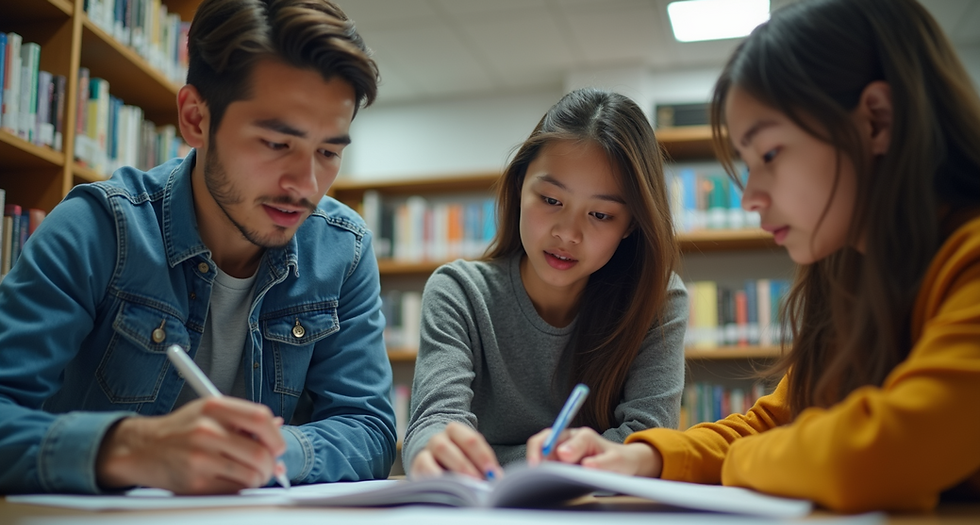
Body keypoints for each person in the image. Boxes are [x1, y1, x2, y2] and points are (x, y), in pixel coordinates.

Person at [526, 0, 980, 514]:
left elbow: (879, 452)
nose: (749, 197)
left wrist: (741, 462)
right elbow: (775, 423)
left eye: (768, 155)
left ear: (876, 121)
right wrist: (642, 457)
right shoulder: (855, 280)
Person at [0, 0, 396, 495]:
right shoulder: (98, 228)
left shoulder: (344, 249)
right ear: (195, 119)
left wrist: (272, 450)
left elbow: (369, 428)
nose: (306, 185)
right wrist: (132, 448)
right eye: (276, 144)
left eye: (329, 152)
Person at [404, 88, 688, 479]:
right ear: (520, 187)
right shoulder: (459, 293)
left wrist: (499, 458)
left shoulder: (657, 301)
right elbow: (436, 426)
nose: (568, 233)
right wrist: (433, 451)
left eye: (601, 215)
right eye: (551, 200)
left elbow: (647, 441)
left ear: (631, 225)